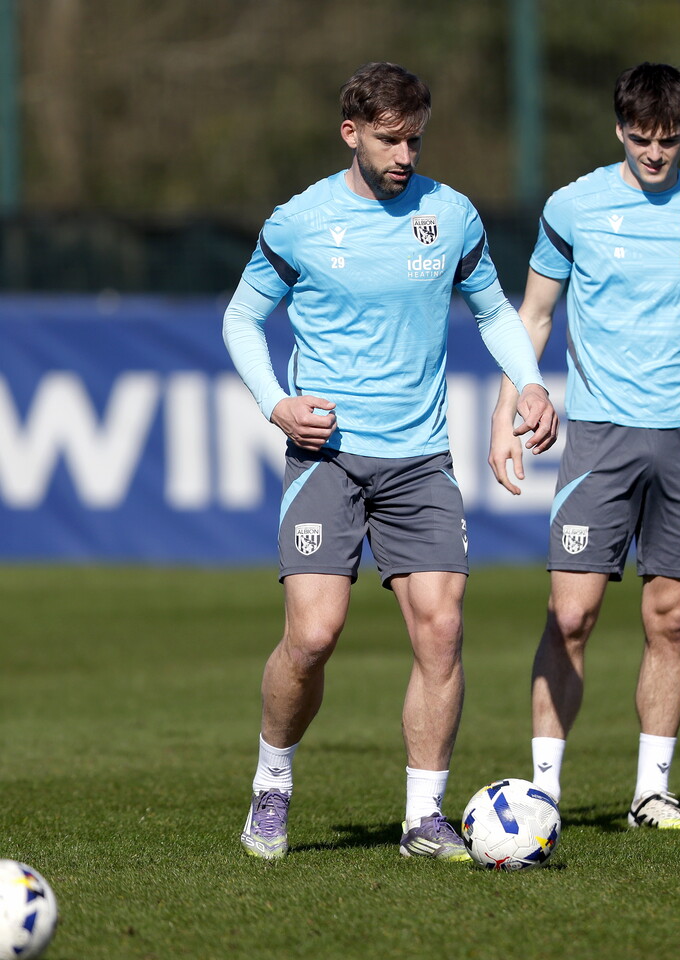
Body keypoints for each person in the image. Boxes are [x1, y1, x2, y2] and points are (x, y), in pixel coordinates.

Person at [222, 62, 558, 861]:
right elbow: (241, 318)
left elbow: (494, 312)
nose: (406, 154)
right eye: (390, 139)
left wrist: (533, 382)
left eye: (415, 138)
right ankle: (272, 785)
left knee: (441, 631)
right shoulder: (300, 220)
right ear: (352, 133)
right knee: (313, 635)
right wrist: (277, 403)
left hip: (419, 460)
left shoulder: (451, 215)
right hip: (326, 457)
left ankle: (424, 819)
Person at [487, 62, 680, 829]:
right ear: (619, 128)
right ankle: (543, 791)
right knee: (570, 615)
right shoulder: (574, 206)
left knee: (670, 617)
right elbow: (534, 316)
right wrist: (504, 410)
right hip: (600, 440)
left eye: (669, 140)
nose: (655, 153)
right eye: (641, 139)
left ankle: (652, 790)